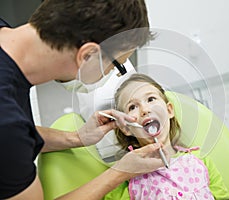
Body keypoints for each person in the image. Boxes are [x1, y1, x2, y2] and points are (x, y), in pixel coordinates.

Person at [0, 1, 166, 199]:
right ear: (88, 55)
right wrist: (120, 172)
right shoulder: (7, 125)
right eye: (117, 66)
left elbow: (20, 136)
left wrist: (76, 138)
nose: (112, 73)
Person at [113, 73, 229, 199]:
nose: (145, 110)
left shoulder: (201, 162)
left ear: (169, 110)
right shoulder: (125, 178)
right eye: (132, 107)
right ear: (126, 128)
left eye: (150, 99)